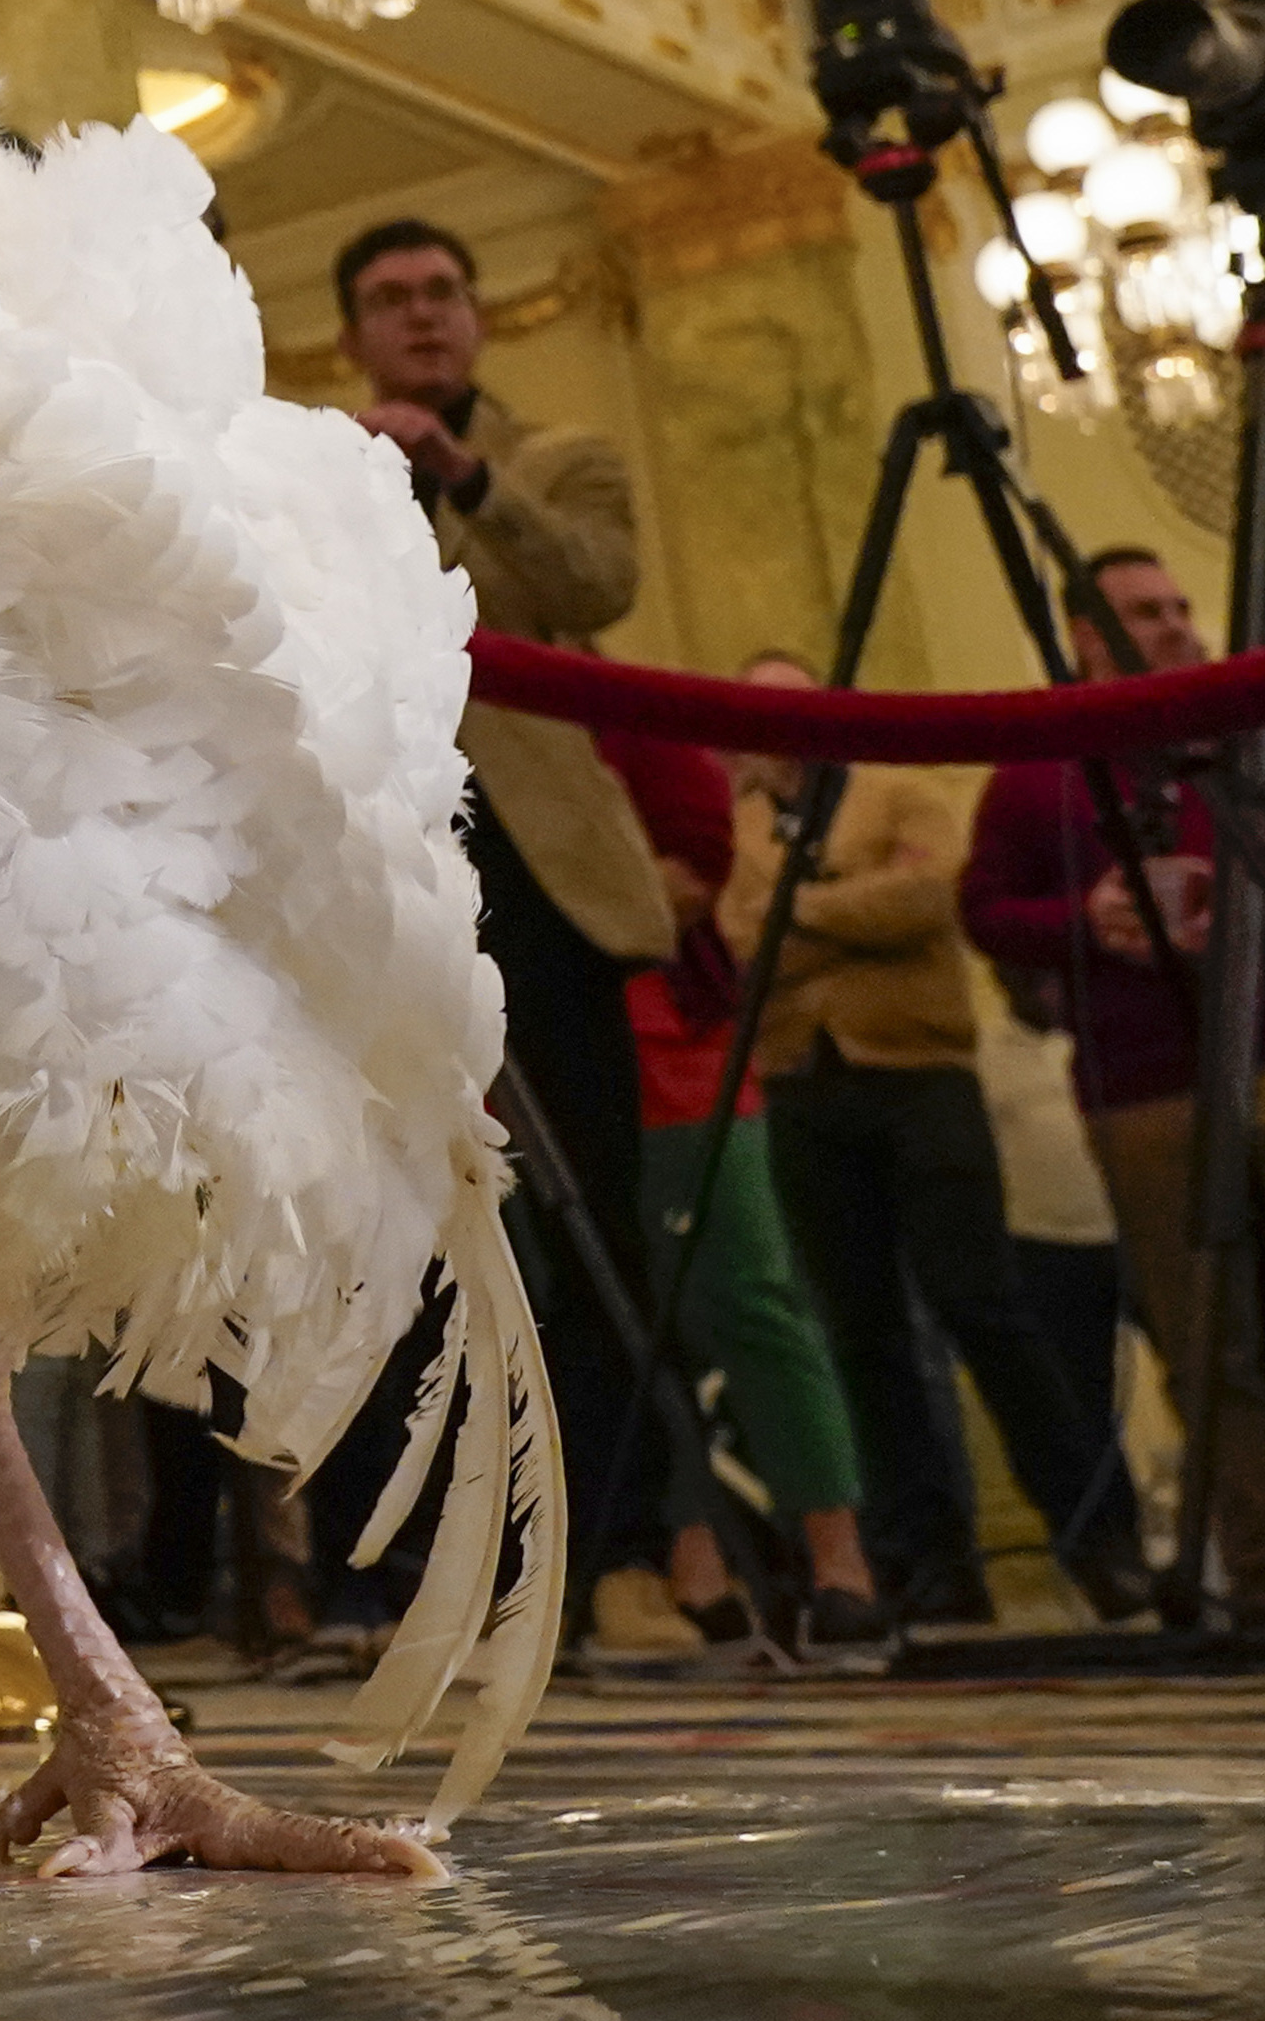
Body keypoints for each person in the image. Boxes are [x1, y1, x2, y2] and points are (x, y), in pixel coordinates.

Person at [320, 216, 671, 1616]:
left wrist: (465, 479)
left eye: (444, 291)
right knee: (388, 1223)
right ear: (350, 333)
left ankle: (620, 1550)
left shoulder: (557, 458)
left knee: (594, 1233)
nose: (422, 314)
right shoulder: (321, 475)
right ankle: (401, 1561)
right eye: (391, 297)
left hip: (543, 888)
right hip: (383, 881)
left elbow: (591, 586)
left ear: (476, 317)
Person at [732, 648, 1129, 1630]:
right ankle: (932, 1566)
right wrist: (843, 905)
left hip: (922, 1079)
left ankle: (1098, 1540)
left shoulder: (901, 788)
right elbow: (739, 938)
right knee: (861, 1332)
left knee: (981, 1304)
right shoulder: (739, 823)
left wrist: (800, 908)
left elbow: (926, 897)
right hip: (802, 1090)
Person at [966, 545, 1263, 1603]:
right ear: (1086, 634)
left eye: (1183, 604)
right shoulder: (1040, 766)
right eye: (1146, 611)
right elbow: (984, 911)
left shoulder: (1240, 734)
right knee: (1207, 1339)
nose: (1179, 624)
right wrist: (1082, 921)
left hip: (1254, 1056)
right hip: (1143, 1087)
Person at [585, 726, 886, 1653]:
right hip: (545, 1064)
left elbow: (692, 873)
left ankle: (840, 1562)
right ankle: (690, 1566)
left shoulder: (622, 722)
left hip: (676, 1053)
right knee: (622, 1328)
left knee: (754, 1302)